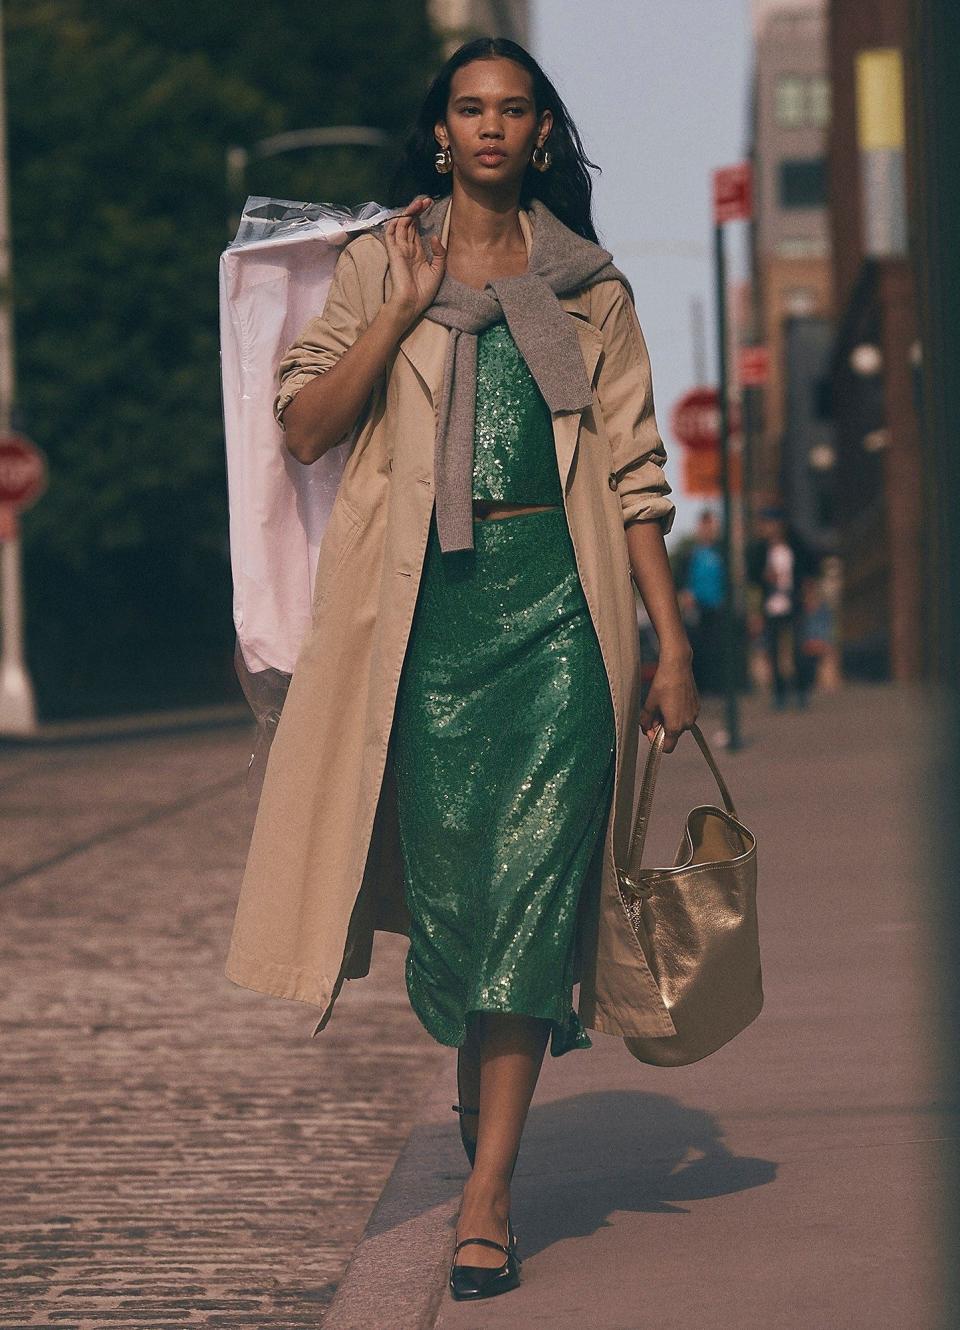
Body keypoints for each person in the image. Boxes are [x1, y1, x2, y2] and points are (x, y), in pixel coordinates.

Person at [224, 36, 699, 1302]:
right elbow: (307, 425)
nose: (492, 128)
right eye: (470, 110)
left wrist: (669, 639)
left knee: (535, 903)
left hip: (560, 618)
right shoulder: (378, 261)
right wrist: (395, 306)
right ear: (440, 131)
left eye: (515, 110)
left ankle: (488, 1189)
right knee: (463, 911)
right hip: (426, 627)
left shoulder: (591, 289)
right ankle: (484, 1108)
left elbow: (636, 473)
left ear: (543, 133)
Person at [746, 504, 820, 709]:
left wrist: (809, 593)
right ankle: (779, 694)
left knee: (798, 649)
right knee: (774, 651)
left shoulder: (795, 545)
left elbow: (810, 569)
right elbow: (752, 578)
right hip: (770, 606)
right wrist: (764, 579)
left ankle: (801, 691)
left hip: (794, 604)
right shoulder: (760, 550)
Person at [679, 508, 726, 696]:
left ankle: (715, 689)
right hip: (696, 608)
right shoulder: (692, 553)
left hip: (716, 607)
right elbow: (682, 578)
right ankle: (700, 689)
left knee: (715, 649)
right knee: (697, 649)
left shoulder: (721, 552)